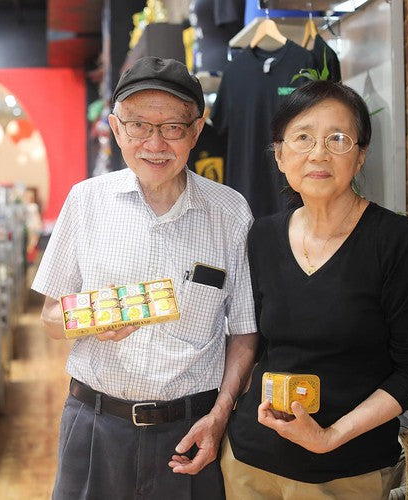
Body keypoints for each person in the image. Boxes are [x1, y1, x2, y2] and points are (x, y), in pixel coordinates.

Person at [31, 56, 258, 500]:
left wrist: (221, 414)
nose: (155, 143)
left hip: (191, 431)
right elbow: (50, 317)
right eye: (138, 126)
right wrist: (93, 321)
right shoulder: (86, 201)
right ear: (117, 129)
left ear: (196, 131)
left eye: (172, 127)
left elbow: (244, 333)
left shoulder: (230, 213)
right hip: (94, 423)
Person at [221, 80, 408, 499]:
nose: (319, 153)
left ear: (361, 154)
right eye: (303, 137)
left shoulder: (394, 239)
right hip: (249, 463)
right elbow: (249, 343)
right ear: (280, 154)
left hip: (349, 471)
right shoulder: (260, 237)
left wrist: (329, 436)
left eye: (338, 138)